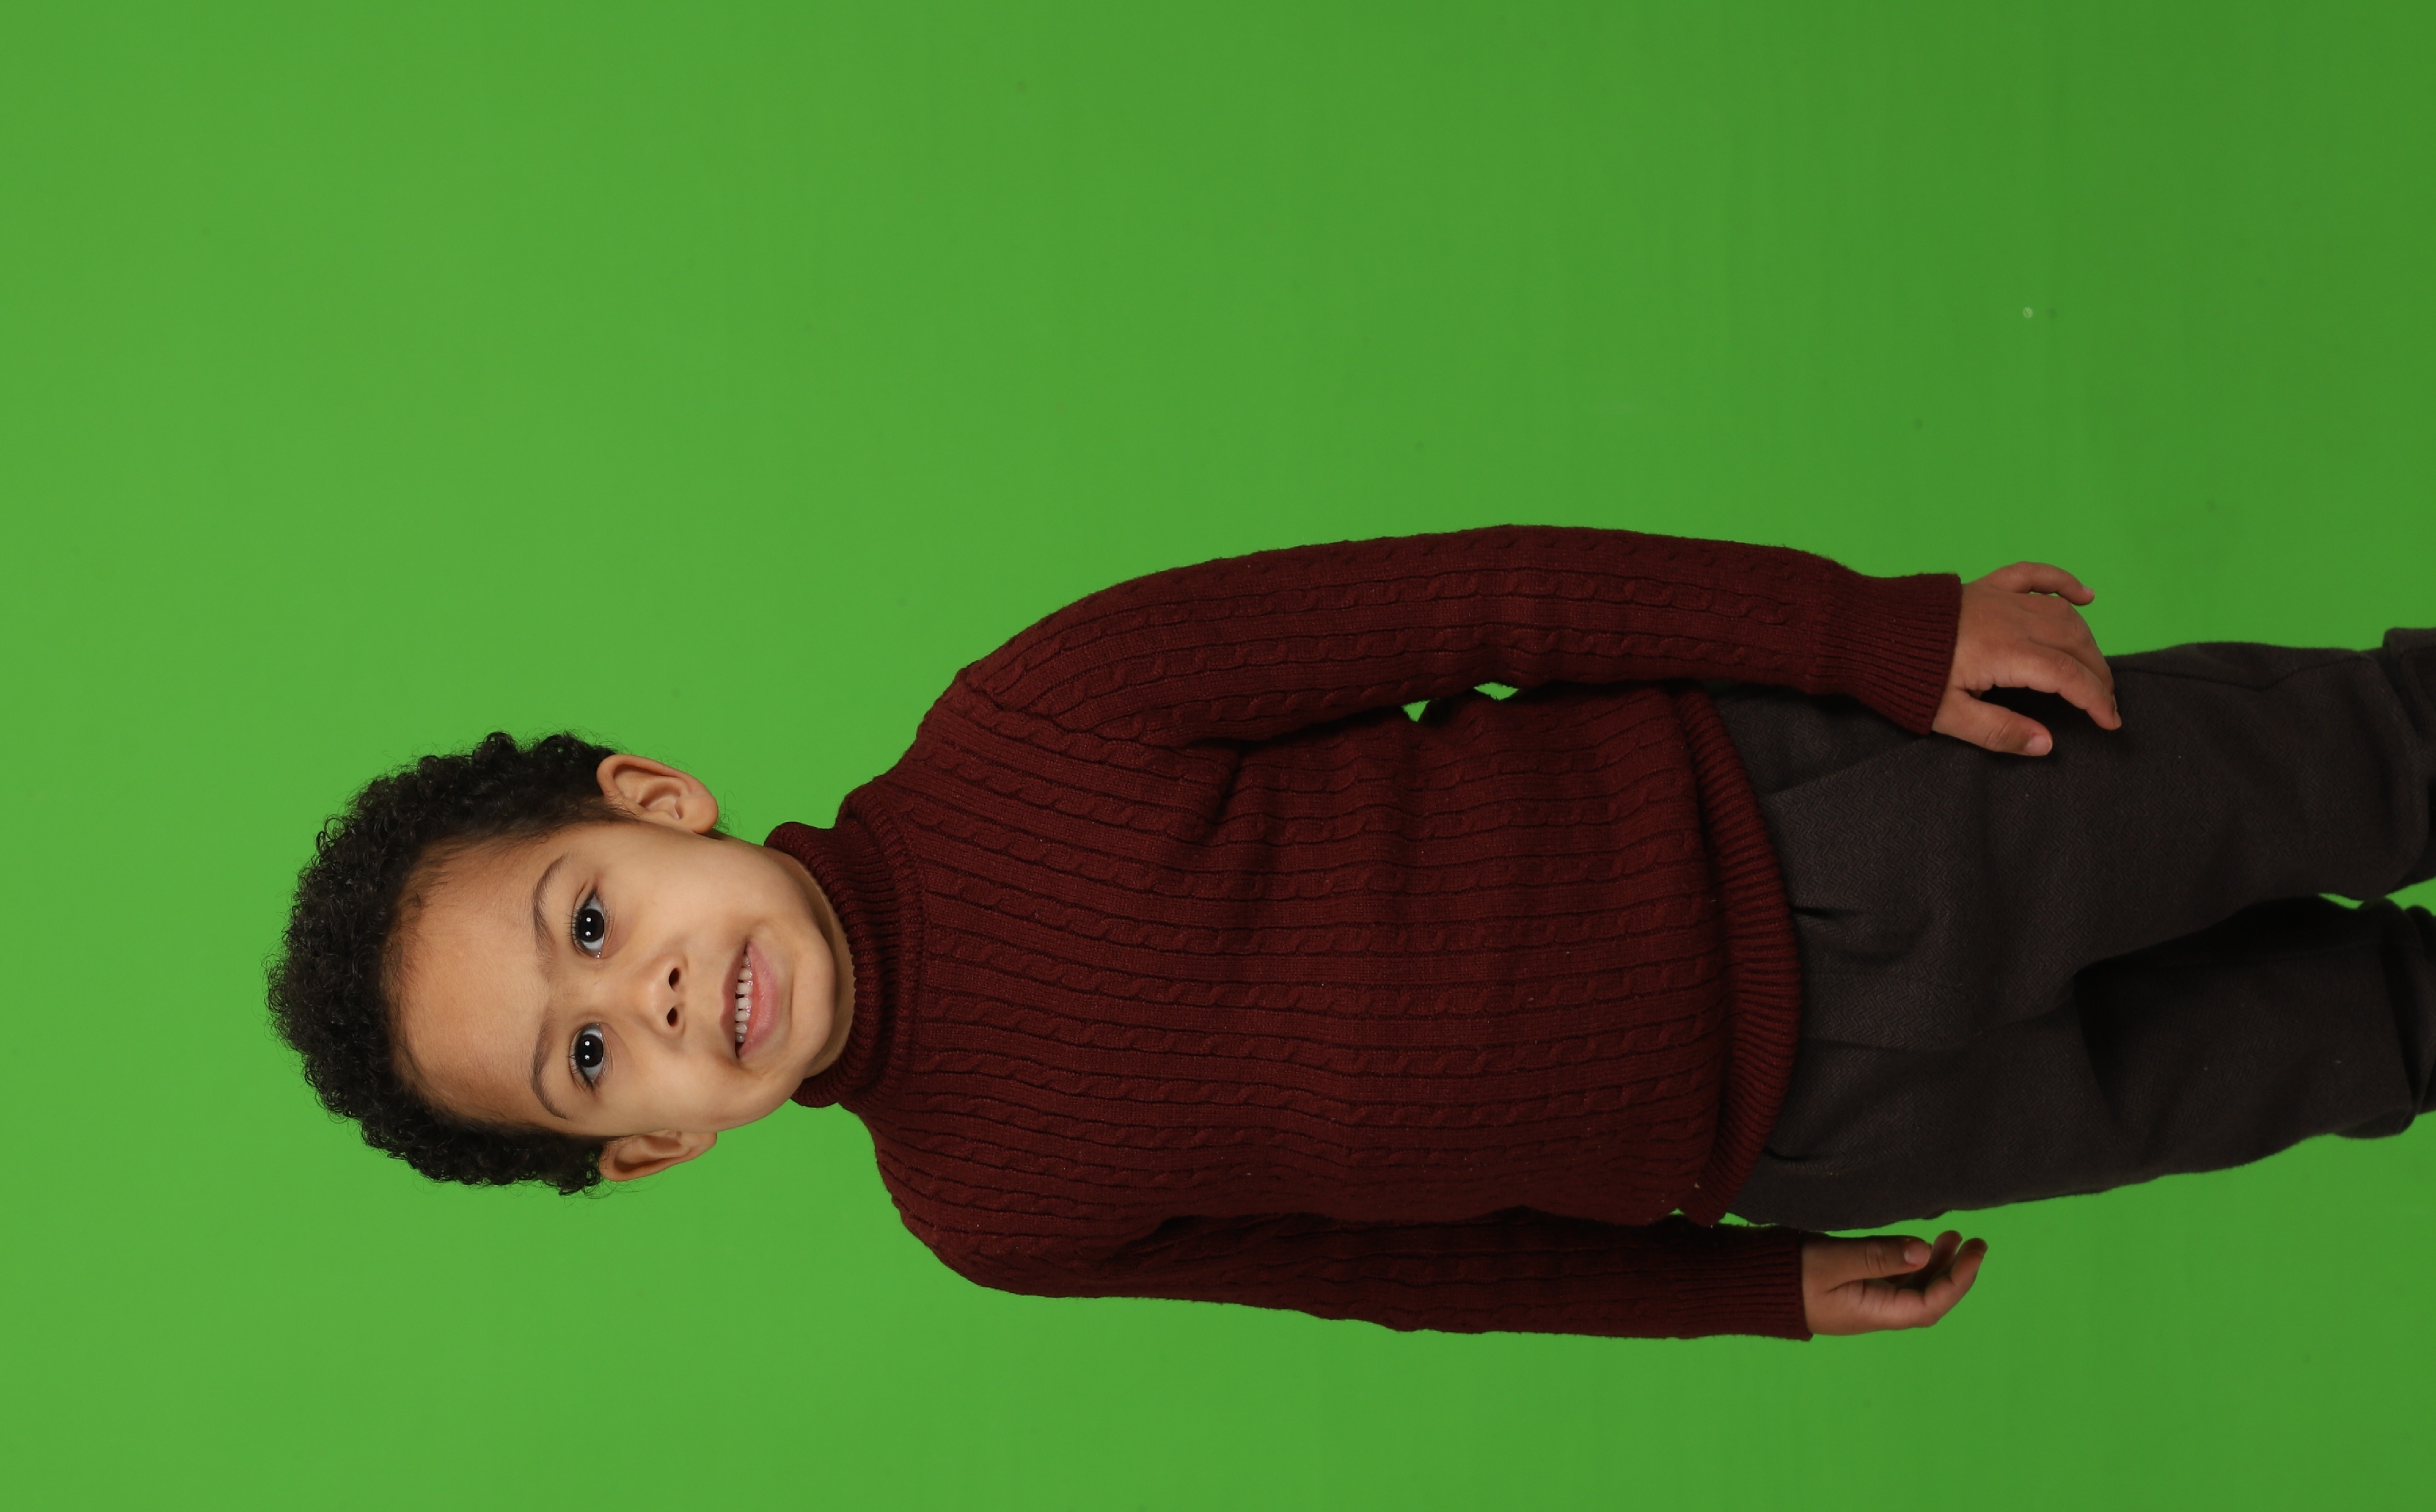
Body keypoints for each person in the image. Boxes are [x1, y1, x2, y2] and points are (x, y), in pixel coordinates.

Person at [267, 527, 2436, 1340]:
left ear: (655, 802)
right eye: (585, 1055)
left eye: (589, 918)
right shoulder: (989, 1213)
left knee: (2368, 763)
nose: (642, 993)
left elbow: (1483, 599)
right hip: (1822, 1131)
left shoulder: (1041, 715)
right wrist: (1745, 1290)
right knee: (2359, 1044)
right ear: (650, 1146)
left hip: (1834, 823)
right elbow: (1418, 1271)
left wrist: (1862, 634)